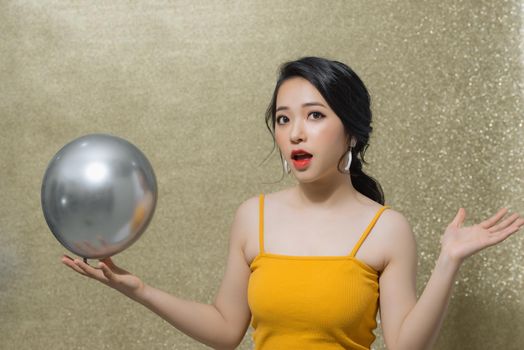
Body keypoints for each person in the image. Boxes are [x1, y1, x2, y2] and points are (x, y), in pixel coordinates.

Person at [62, 56, 523, 350]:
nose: (295, 133)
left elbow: (404, 347)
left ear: (353, 133)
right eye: (284, 120)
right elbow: (226, 330)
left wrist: (448, 261)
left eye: (315, 116)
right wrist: (139, 290)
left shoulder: (387, 229)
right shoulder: (253, 216)